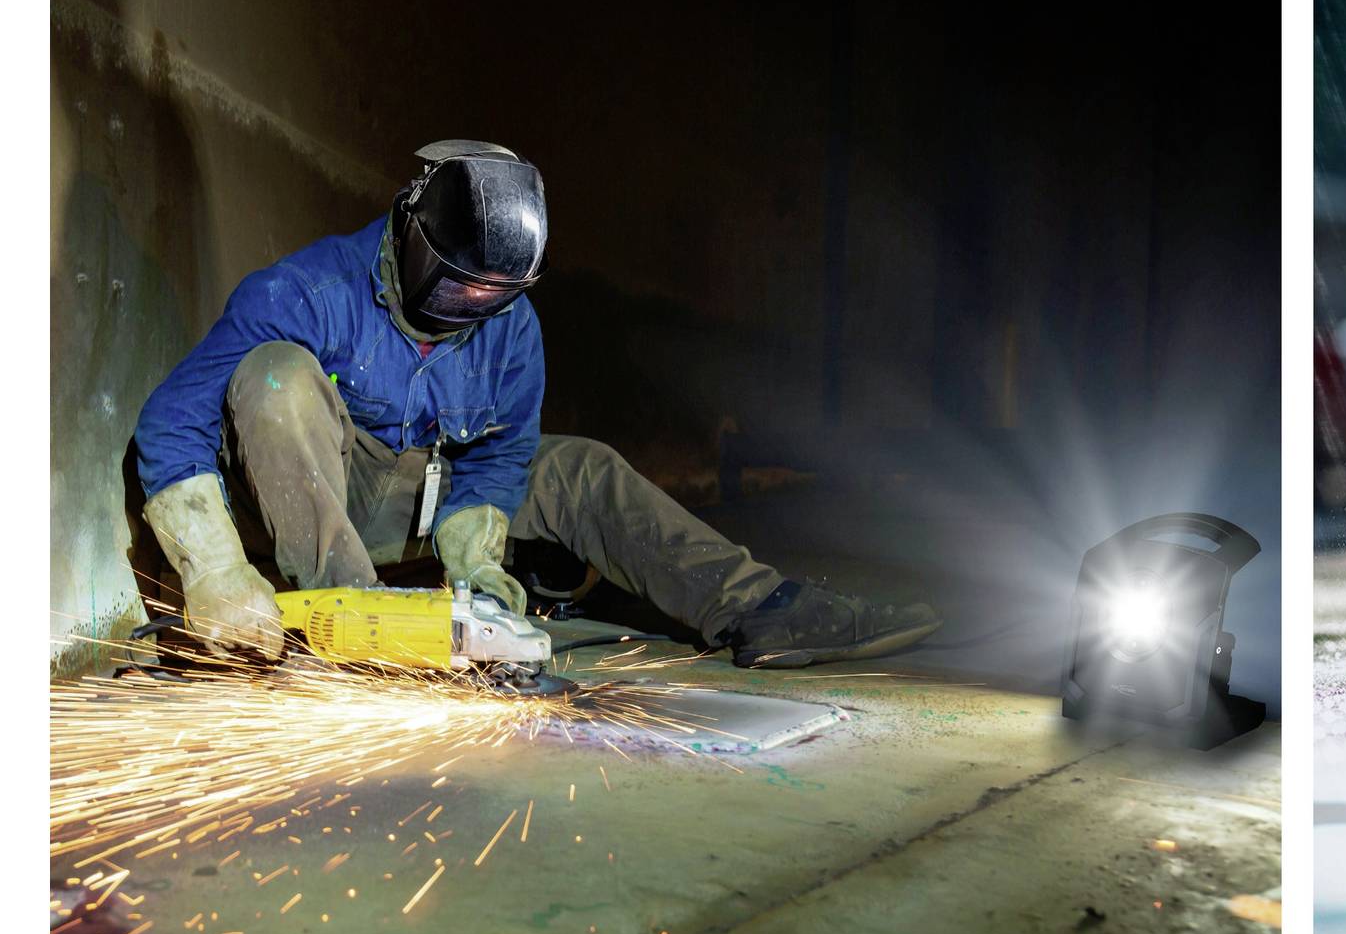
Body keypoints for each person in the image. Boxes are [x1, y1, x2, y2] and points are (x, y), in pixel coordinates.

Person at [131, 141, 937, 670]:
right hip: (309, 501)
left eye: (493, 293)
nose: (468, 306)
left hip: (420, 497)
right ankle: (361, 638)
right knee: (275, 376)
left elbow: (504, 452)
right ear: (412, 232)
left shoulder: (510, 325)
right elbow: (171, 422)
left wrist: (476, 558)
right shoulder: (305, 290)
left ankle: (759, 605)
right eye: (454, 284)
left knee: (580, 466)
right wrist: (217, 570)